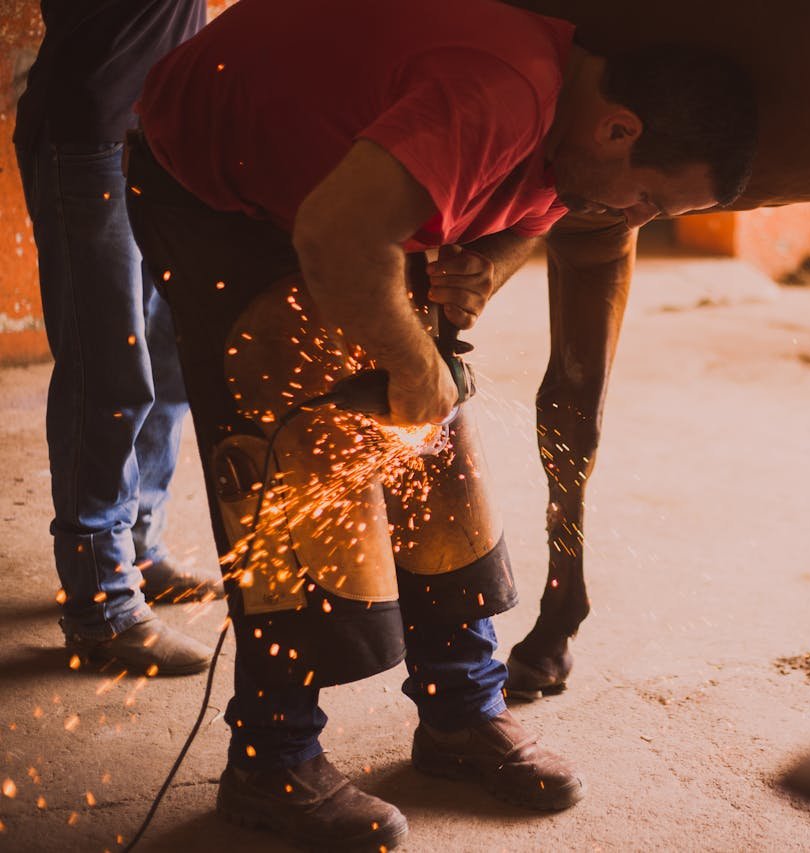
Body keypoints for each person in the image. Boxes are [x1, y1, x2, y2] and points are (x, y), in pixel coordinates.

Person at [124, 0, 757, 848]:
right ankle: (270, 759)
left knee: (437, 441)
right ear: (618, 129)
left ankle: (462, 710)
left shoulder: (572, 135)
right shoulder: (498, 96)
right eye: (646, 196)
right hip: (221, 195)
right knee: (301, 449)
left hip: (343, 185)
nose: (633, 218)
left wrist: (480, 262)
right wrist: (413, 362)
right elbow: (336, 230)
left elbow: (530, 216)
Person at [13, 0, 222, 677]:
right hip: (90, 136)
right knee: (108, 373)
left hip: (157, 136)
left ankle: (136, 544)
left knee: (167, 361)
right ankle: (101, 602)